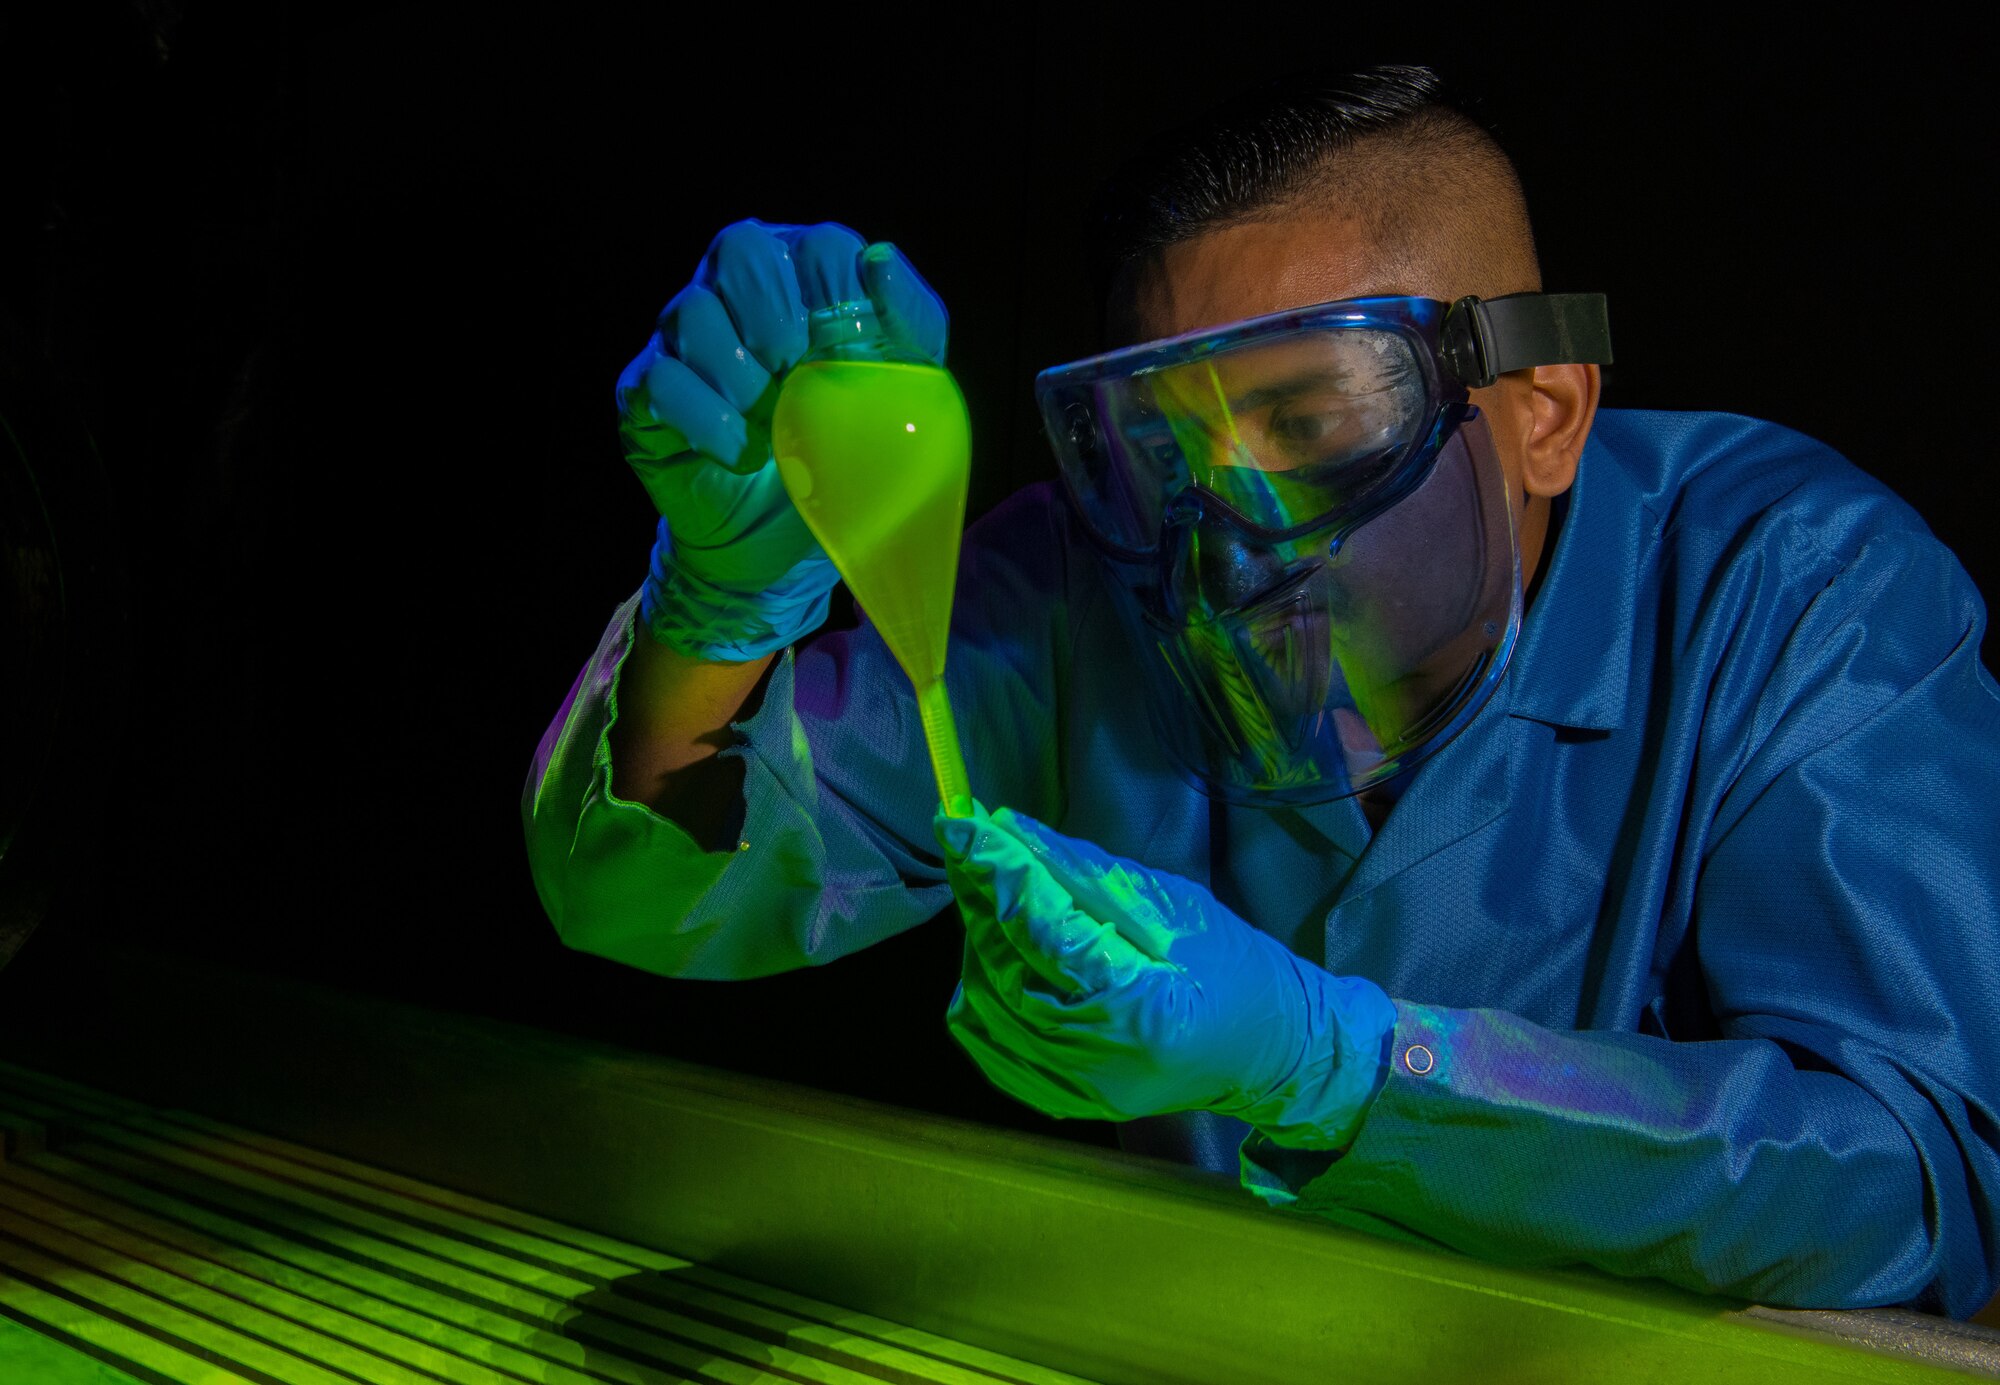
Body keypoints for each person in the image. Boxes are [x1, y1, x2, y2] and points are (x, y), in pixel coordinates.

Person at [522, 66, 2000, 1317]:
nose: (1226, 535)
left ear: (1540, 416)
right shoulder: (1077, 592)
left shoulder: (1797, 586)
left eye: (1307, 418)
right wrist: (719, 588)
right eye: (1164, 448)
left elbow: (1921, 1173)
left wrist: (1337, 1064)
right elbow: (647, 897)